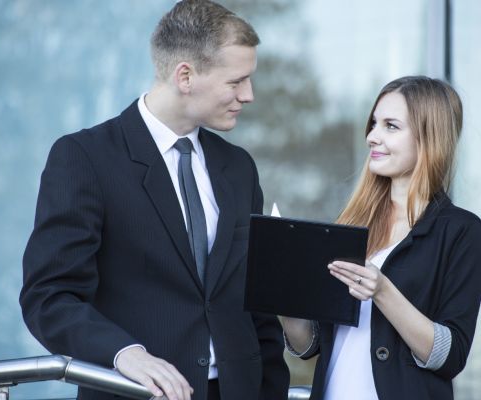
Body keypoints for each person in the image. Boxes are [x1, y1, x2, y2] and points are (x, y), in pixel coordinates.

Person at [19, 1, 289, 400]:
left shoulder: (238, 167)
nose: (247, 95)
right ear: (185, 76)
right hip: (136, 393)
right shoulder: (86, 157)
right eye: (236, 82)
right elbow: (48, 296)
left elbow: (256, 304)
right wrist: (123, 354)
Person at [281, 76, 481, 399]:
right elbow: (312, 344)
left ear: (428, 137)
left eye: (391, 126)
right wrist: (285, 300)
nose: (372, 137)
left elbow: (450, 355)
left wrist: (382, 291)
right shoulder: (353, 222)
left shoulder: (460, 230)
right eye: (373, 124)